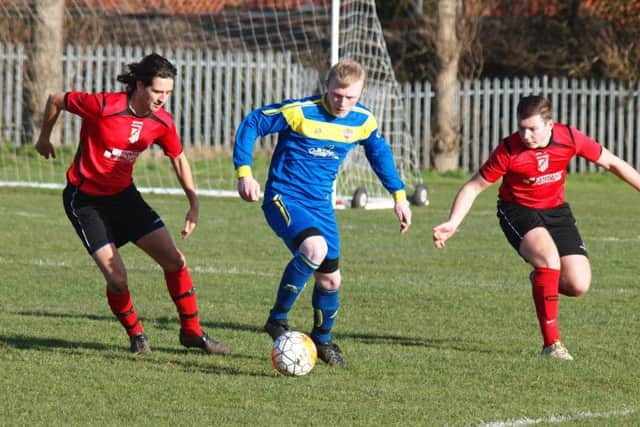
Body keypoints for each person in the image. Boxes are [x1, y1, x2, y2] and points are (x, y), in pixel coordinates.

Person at [35, 53, 229, 355]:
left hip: (125, 198)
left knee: (175, 261)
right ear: (140, 86)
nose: (163, 98)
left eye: (168, 92)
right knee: (117, 278)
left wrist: (194, 203)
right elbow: (56, 98)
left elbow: (178, 158)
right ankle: (137, 336)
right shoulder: (103, 106)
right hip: (85, 201)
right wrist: (44, 138)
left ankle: (192, 332)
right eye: (157, 91)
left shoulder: (162, 121)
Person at [432, 94, 640, 360]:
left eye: (532, 128)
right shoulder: (508, 150)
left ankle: (542, 280)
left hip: (556, 211)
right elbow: (474, 186)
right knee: (549, 259)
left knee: (578, 285)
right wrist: (453, 222)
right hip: (517, 210)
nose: (526, 135)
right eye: (522, 128)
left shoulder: (570, 138)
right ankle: (551, 345)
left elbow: (612, 162)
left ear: (549, 124)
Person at [233, 59, 412, 367]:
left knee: (330, 281)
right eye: (337, 95)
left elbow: (379, 153)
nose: (342, 103)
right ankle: (277, 319)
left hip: (320, 206)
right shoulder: (300, 111)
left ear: (362, 92)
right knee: (315, 248)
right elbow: (253, 122)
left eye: (350, 97)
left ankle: (323, 338)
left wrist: (398, 196)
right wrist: (245, 172)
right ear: (327, 87)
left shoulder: (362, 121)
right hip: (284, 197)